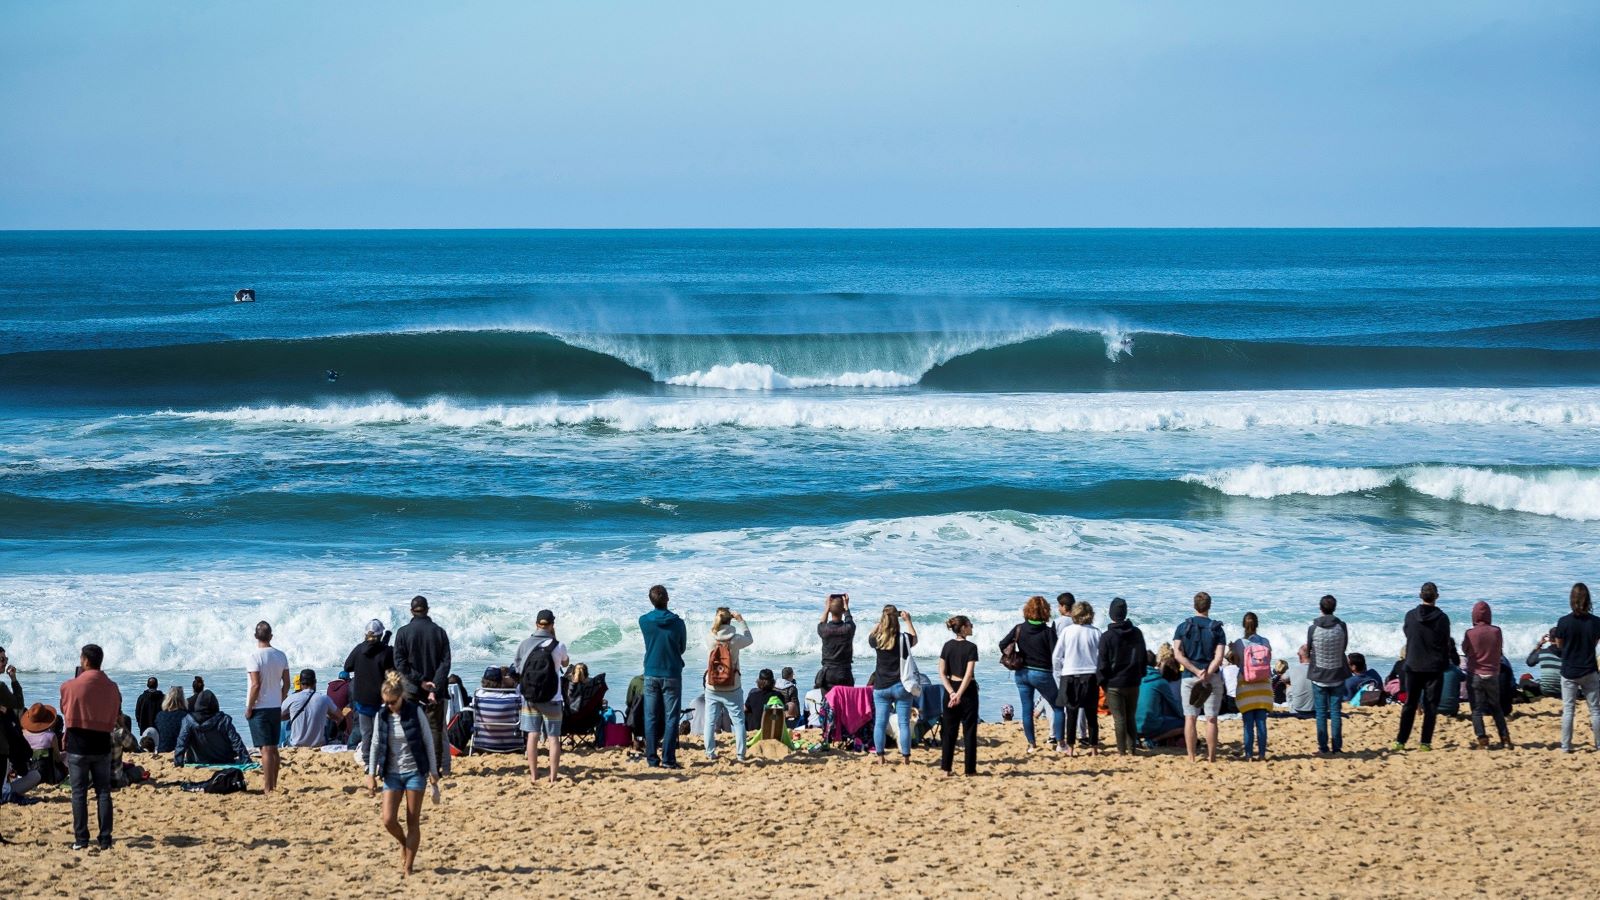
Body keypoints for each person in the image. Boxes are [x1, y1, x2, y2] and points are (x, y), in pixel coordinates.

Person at [366, 671, 439, 878]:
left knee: (412, 820)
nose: (389, 706)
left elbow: (428, 743)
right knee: (388, 819)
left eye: (393, 702)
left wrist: (433, 772)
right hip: (391, 774)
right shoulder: (382, 715)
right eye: (386, 702)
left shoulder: (415, 712)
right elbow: (374, 744)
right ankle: (403, 843)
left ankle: (408, 866)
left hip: (415, 772)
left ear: (401, 698)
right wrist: (370, 774)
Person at [60, 644, 121, 851]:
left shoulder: (69, 686)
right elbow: (115, 714)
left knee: (79, 793)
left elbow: (65, 709)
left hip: (78, 745)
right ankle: (105, 839)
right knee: (103, 792)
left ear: (85, 661)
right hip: (102, 744)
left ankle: (81, 839)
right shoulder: (112, 687)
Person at [1392, 582, 1459, 752]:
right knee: (1430, 706)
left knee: (1410, 704)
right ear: (1436, 596)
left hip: (1413, 664)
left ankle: (1401, 740)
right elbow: (1445, 643)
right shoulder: (1442, 618)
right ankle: (1425, 742)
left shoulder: (1410, 616)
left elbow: (1408, 634)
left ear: (1420, 595)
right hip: (1434, 667)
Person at [393, 596, 452, 776]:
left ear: (412, 611)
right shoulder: (439, 632)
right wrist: (433, 685)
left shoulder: (403, 632)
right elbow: (446, 663)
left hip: (412, 688)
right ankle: (434, 769)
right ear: (427, 609)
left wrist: (420, 681)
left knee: (411, 727)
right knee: (435, 729)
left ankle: (415, 765)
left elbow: (400, 663)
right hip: (435, 688)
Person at [513, 609, 571, 784]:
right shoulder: (557, 645)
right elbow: (565, 662)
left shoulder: (524, 644)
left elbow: (517, 669)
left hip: (530, 697)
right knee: (553, 738)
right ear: (552, 625)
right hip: (553, 697)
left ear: (536, 624)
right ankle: (553, 778)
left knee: (533, 735)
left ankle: (534, 775)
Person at [998, 595, 1060, 754]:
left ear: (1027, 610)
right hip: (1043, 674)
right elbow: (1056, 653)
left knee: (1027, 709)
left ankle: (1032, 745)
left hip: (1022, 673)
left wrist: (1016, 654)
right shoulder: (1048, 632)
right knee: (1058, 707)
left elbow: (1002, 644)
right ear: (1046, 611)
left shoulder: (1019, 628)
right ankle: (1061, 743)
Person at [1172, 592, 1226, 763]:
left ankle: (1191, 756)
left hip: (1189, 676)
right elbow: (1219, 657)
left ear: (1194, 606)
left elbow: (1177, 654)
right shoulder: (1217, 629)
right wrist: (1207, 673)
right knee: (1211, 718)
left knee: (1190, 717)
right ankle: (1211, 757)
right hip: (1211, 677)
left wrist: (1195, 671)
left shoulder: (1183, 627)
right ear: (1209, 606)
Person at [639, 585, 688, 769]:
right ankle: (668, 759)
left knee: (650, 717)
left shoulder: (644, 621)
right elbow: (681, 648)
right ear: (667, 599)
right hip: (672, 672)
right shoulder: (678, 623)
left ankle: (652, 758)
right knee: (671, 717)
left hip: (651, 672)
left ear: (651, 600)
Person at [1551, 582, 1600, 753]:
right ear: (1588, 600)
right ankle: (1599, 744)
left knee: (1568, 710)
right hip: (1589, 668)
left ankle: (1566, 746)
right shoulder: (1596, 622)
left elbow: (1559, 645)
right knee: (1595, 710)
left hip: (1569, 670)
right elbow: (1594, 643)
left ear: (1572, 600)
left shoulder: (1563, 622)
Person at [701, 608, 753, 761]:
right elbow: (750, 639)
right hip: (732, 686)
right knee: (738, 721)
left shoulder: (710, 637)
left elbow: (713, 631)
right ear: (730, 620)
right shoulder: (736, 639)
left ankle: (710, 753)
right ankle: (740, 754)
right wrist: (741, 620)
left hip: (712, 686)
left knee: (710, 721)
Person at [1097, 598, 1147, 755]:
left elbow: (1102, 663)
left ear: (1111, 615)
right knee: (1130, 716)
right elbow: (1142, 657)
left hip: (1114, 683)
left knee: (1119, 719)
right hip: (1133, 680)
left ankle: (1121, 751)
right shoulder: (1136, 633)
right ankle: (1131, 749)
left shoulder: (1107, 636)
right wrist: (1141, 674)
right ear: (1125, 613)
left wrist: (1102, 681)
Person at [1460, 600, 1513, 749]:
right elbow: (1499, 649)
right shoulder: (1497, 631)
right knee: (1496, 707)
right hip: (1492, 674)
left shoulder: (1470, 633)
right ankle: (1505, 738)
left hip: (1475, 673)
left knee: (1476, 710)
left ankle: (1483, 740)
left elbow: (1466, 650)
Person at [869, 605, 918, 765]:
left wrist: (880, 622)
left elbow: (870, 635)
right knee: (904, 723)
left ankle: (881, 757)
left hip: (881, 686)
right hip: (901, 685)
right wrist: (908, 621)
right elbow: (914, 638)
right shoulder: (903, 638)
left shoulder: (878, 639)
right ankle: (905, 757)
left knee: (880, 723)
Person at [245, 620, 290, 791]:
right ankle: (274, 784)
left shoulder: (254, 656)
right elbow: (286, 683)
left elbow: (255, 685)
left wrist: (249, 707)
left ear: (256, 636)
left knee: (265, 749)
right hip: (275, 705)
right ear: (271, 636)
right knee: (273, 748)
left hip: (259, 707)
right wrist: (281, 697)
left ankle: (267, 787)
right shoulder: (280, 655)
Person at [1054, 600, 1102, 755]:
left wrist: (1061, 670)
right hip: (1090, 674)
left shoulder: (1067, 631)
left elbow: (1056, 656)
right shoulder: (1095, 632)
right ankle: (1094, 748)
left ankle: (1071, 749)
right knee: (1091, 715)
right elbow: (1101, 656)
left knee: (1072, 714)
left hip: (1070, 675)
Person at [344, 619, 395, 762]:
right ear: (380, 635)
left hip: (362, 699)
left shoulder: (359, 649)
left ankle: (367, 760)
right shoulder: (387, 651)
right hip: (380, 699)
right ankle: (381, 759)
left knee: (366, 733)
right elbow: (394, 671)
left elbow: (347, 667)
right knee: (381, 732)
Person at [1307, 595, 1349, 754]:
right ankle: (1337, 747)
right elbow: (1344, 647)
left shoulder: (1313, 628)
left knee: (1321, 713)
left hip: (1319, 675)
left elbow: (1310, 649)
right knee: (1336, 712)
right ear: (1334, 608)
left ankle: (1323, 747)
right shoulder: (1342, 626)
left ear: (1320, 608)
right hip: (1337, 673)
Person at [938, 615, 979, 776]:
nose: (972, 627)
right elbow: (968, 675)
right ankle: (970, 770)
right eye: (970, 624)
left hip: (951, 688)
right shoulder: (971, 647)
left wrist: (952, 693)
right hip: (967, 691)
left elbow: (941, 672)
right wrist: (959, 694)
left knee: (949, 731)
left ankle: (946, 768)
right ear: (963, 628)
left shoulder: (947, 646)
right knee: (969, 730)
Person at [1233, 612, 1274, 761]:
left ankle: (1249, 754)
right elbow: (1268, 661)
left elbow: (1237, 663)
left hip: (1246, 686)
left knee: (1248, 723)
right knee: (1261, 722)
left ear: (1243, 625)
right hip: (1263, 686)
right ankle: (1262, 754)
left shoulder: (1239, 643)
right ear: (1257, 625)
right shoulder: (1265, 642)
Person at [173, 690, 250, 766]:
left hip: (197, 760)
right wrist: (246, 760)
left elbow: (181, 742)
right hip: (223, 760)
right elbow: (236, 741)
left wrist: (178, 762)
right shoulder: (223, 719)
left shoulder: (188, 720)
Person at [282, 670, 344, 748]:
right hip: (318, 744)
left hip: (296, 744)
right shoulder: (324, 698)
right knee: (326, 718)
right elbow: (340, 717)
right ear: (315, 682)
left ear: (301, 683)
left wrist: (291, 715)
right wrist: (328, 715)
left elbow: (277, 716)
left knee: (286, 723)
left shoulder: (292, 698)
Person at [468, 667, 522, 754]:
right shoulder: (514, 698)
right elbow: (520, 691)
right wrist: (513, 683)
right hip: (512, 744)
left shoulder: (478, 696)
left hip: (484, 744)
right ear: (501, 681)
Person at [1136, 651, 1185, 746]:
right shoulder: (1160, 681)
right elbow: (1174, 705)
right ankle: (1153, 740)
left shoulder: (1133, 680)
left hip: (1132, 725)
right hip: (1152, 726)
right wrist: (1184, 717)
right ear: (1156, 663)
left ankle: (1135, 739)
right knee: (1185, 725)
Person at [816, 593, 856, 695]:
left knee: (827, 705)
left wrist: (826, 608)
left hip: (828, 673)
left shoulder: (824, 630)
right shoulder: (849, 629)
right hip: (844, 673)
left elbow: (822, 623)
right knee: (845, 705)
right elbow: (849, 619)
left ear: (830, 611)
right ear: (842, 610)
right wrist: (846, 607)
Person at [1525, 633, 1563, 698]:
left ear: (1549, 639)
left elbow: (1529, 662)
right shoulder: (1568, 653)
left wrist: (1539, 644)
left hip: (1545, 691)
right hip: (1563, 692)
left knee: (1524, 679)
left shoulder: (1542, 652)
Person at [153, 687, 188, 754]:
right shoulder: (186, 716)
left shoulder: (160, 715)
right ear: (182, 699)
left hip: (162, 750)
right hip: (181, 751)